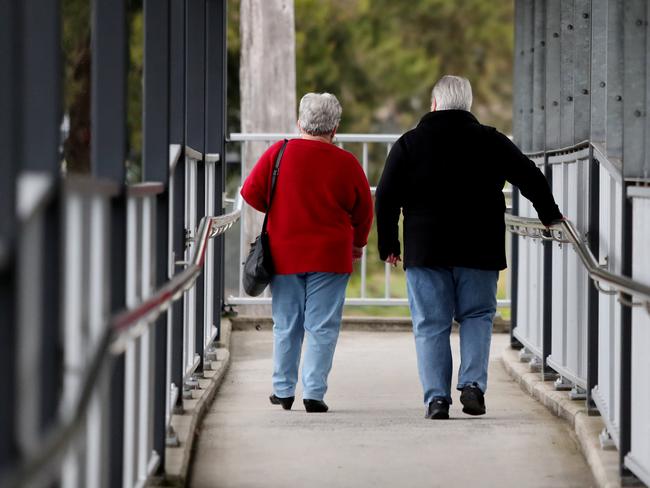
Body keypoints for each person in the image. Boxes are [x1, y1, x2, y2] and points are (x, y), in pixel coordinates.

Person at [375, 75, 563, 420]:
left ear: (434, 104)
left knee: (431, 324)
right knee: (477, 317)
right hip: (480, 247)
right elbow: (529, 175)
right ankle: (473, 386)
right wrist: (549, 215)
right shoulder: (490, 140)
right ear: (468, 105)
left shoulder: (409, 144)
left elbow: (386, 197)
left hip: (426, 249)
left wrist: (389, 243)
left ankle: (437, 400)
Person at [241, 93, 373, 413]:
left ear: (300, 122)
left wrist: (283, 210)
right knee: (322, 325)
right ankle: (314, 393)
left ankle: (283, 390)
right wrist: (357, 242)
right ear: (335, 129)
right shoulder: (347, 163)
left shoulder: (279, 153)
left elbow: (251, 193)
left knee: (287, 324)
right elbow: (364, 211)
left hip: (284, 253)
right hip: (331, 255)